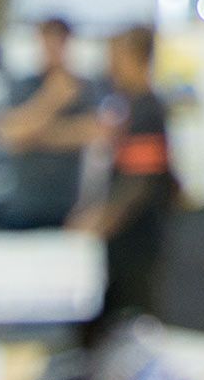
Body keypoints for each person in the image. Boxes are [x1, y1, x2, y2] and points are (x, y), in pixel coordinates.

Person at [70, 26, 179, 322]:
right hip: (128, 231)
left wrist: (100, 221)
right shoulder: (130, 107)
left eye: (117, 58)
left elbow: (139, 182)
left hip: (137, 232)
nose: (112, 67)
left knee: (134, 307)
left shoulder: (146, 110)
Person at [0, 17, 99, 228]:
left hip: (69, 206)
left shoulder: (85, 87)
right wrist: (53, 98)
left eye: (59, 43)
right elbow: (9, 135)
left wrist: (34, 134)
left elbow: (94, 132)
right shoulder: (23, 86)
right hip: (25, 203)